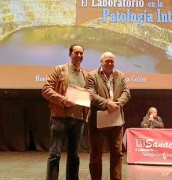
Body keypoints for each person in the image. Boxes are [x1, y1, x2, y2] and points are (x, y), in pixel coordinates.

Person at [42, 44, 89, 180]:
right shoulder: (59, 70)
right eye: (76, 53)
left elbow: (87, 96)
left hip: (78, 119)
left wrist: (90, 95)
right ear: (70, 54)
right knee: (55, 154)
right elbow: (46, 90)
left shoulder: (85, 74)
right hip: (60, 118)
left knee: (74, 156)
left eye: (81, 53)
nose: (79, 56)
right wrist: (63, 100)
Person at [87, 51, 131, 180]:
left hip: (116, 120)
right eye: (107, 61)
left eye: (112, 61)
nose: (110, 63)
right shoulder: (92, 75)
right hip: (97, 121)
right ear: (101, 62)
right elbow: (91, 94)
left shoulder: (120, 75)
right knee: (96, 154)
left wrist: (117, 103)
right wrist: (107, 103)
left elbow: (126, 93)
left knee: (117, 154)